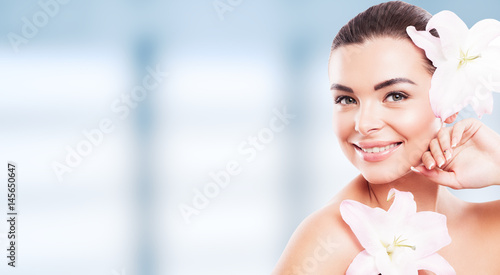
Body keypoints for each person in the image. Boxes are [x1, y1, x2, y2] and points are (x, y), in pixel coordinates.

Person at [272, 1, 500, 274]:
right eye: (346, 99)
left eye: (395, 96)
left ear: (450, 101)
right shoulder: (327, 240)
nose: (364, 123)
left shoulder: (492, 226)